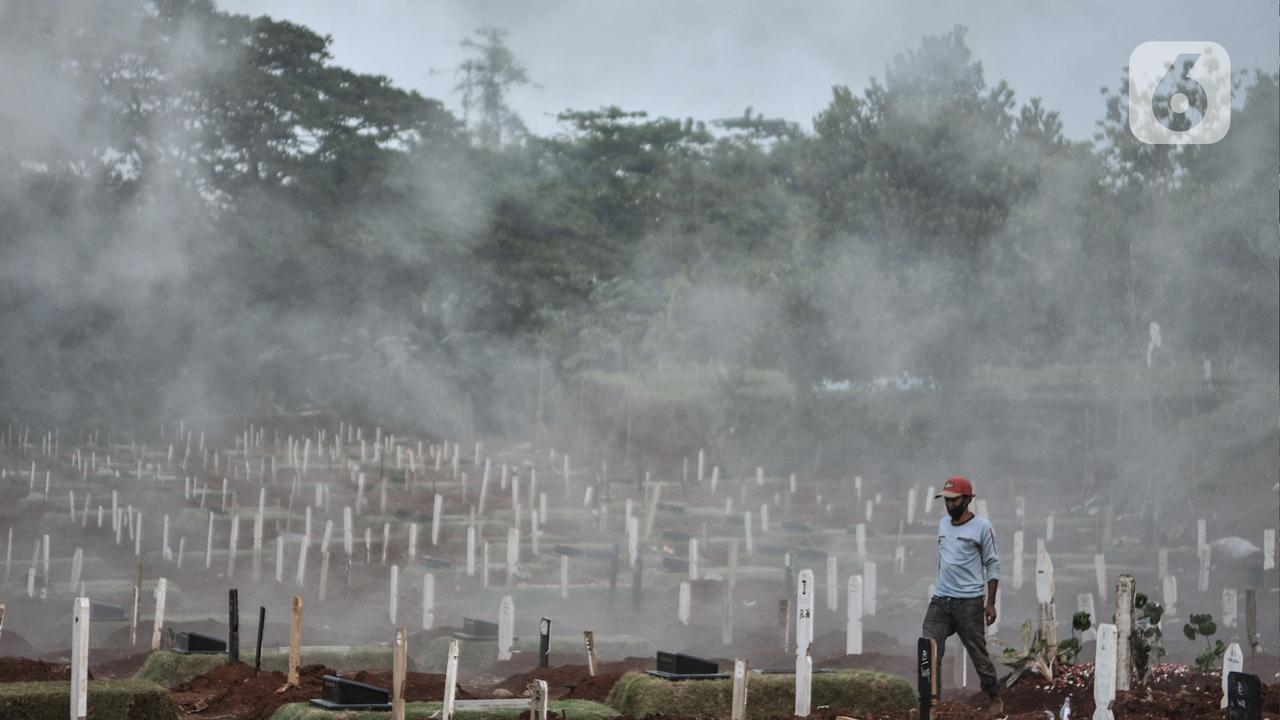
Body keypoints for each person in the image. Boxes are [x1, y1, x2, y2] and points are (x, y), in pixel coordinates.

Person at [922, 476, 1002, 715]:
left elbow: (992, 565)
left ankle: (994, 697)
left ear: (967, 499)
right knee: (929, 648)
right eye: (946, 500)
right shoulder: (943, 524)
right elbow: (943, 560)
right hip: (941, 600)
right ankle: (930, 703)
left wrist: (990, 603)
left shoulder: (982, 527)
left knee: (978, 653)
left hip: (969, 603)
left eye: (954, 500)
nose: (949, 505)